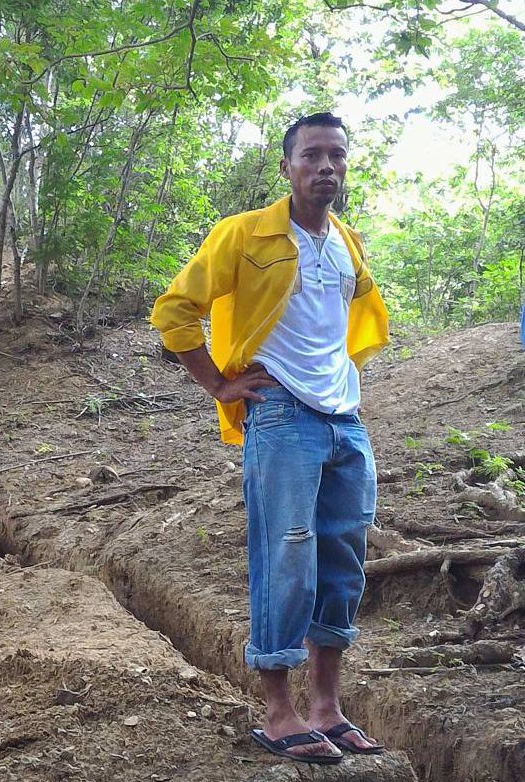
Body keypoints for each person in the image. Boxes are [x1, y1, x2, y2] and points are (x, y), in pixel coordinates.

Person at [149, 113, 390, 764]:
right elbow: (174, 310)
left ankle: (327, 708)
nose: (326, 167)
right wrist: (217, 384)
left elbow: (352, 313)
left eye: (336, 155)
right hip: (280, 411)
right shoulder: (245, 234)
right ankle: (279, 710)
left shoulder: (346, 241)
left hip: (345, 418)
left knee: (343, 560)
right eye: (311, 155)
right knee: (286, 553)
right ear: (286, 168)